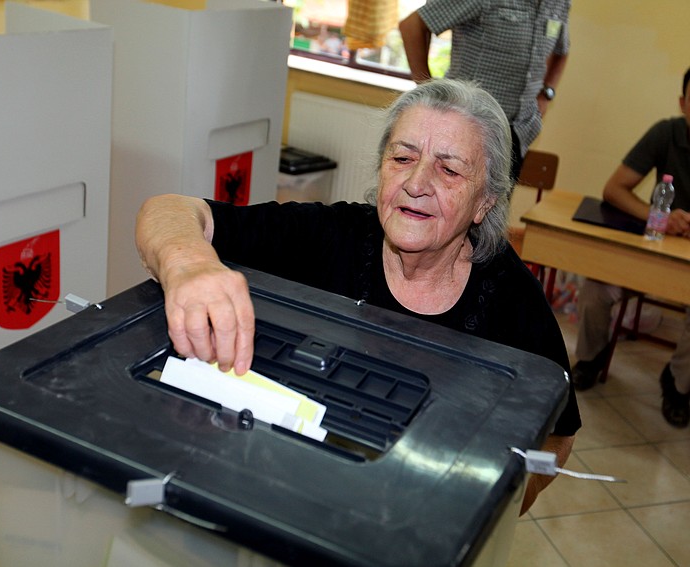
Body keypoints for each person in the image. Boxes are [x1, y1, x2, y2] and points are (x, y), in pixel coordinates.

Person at [136, 78, 580, 514]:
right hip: (298, 489)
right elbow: (171, 210)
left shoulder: (511, 296)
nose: (416, 183)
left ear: (485, 201)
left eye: (448, 170)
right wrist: (190, 265)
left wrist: (497, 512)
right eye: (402, 158)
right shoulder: (332, 237)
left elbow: (559, 432)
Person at [571, 67, 690, 428]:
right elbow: (615, 189)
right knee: (594, 287)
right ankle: (591, 357)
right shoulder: (666, 132)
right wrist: (660, 217)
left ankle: (678, 385)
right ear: (684, 104)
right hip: (653, 248)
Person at [399, 1, 570, 181]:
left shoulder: (559, 3)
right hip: (467, 125)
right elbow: (412, 26)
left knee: (496, 205)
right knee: (449, 200)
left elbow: (562, 51)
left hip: (518, 130)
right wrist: (428, 89)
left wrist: (546, 94)